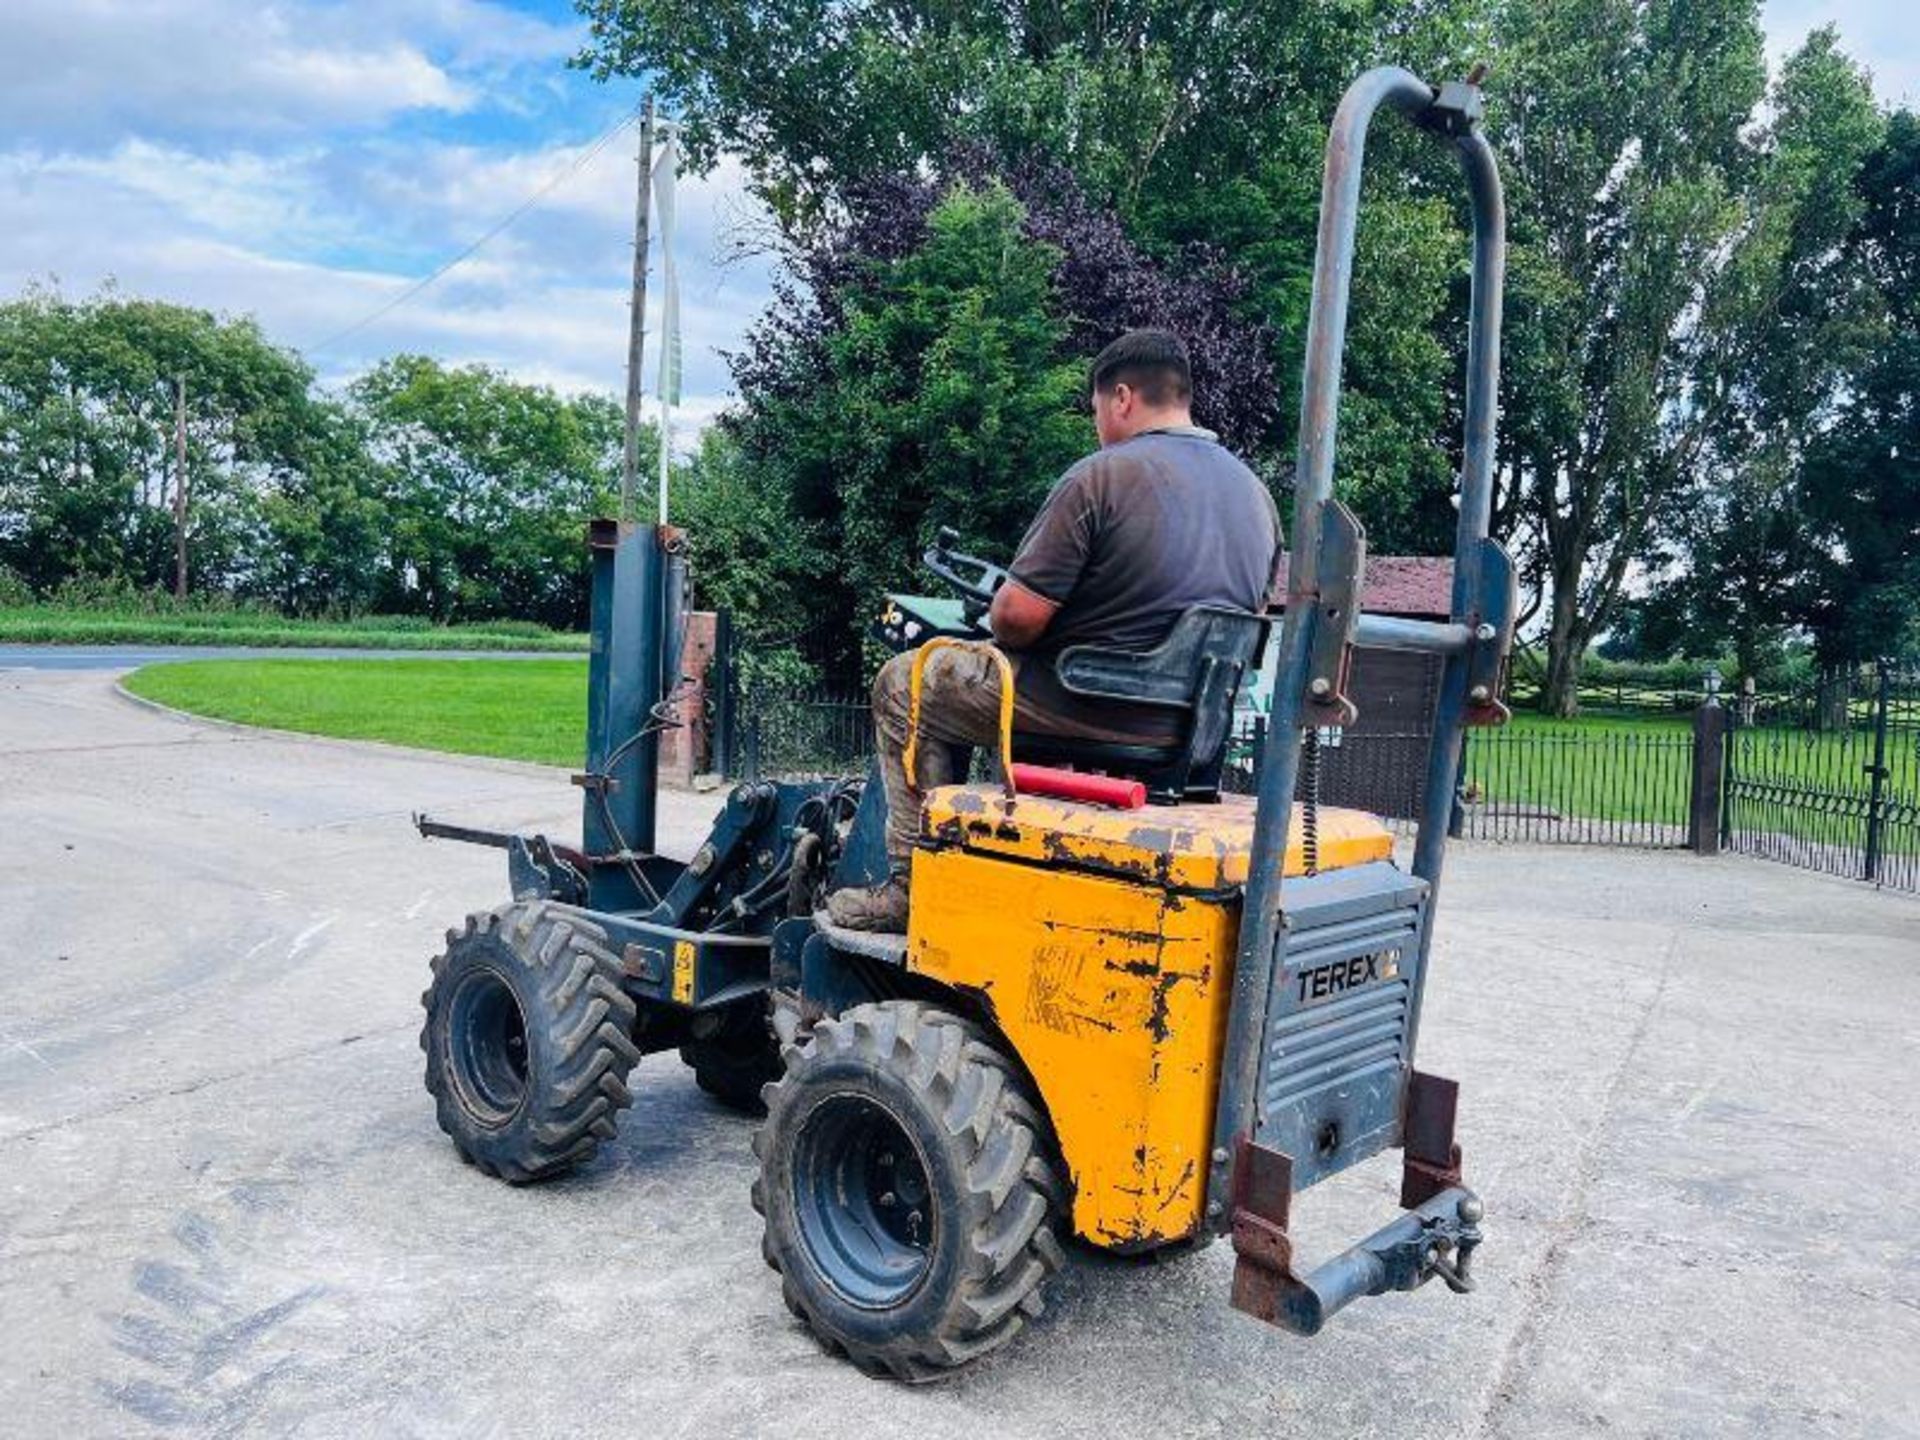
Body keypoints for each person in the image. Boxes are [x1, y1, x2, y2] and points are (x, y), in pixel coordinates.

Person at [825, 328, 1283, 932]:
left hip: (1086, 707)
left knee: (905, 683)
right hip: (1185, 736)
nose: (1098, 425)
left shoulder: (1101, 478)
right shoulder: (1257, 498)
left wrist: (999, 615)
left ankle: (913, 884)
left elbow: (1017, 619)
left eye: (1096, 410)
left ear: (1121, 397)